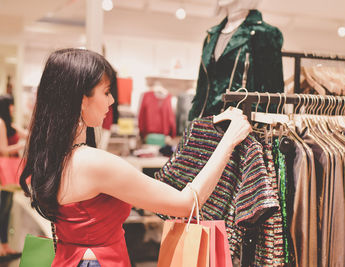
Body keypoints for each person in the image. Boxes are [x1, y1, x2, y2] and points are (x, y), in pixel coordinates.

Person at [19, 48, 252, 267]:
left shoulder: (52, 156)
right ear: (81, 98)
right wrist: (229, 140)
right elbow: (187, 203)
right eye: (106, 92)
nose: (111, 101)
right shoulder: (93, 163)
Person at [188, 0, 284, 121]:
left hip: (240, 126)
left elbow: (273, 95)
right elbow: (201, 89)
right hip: (206, 125)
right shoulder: (211, 36)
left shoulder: (264, 34)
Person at [0, 94, 26, 258]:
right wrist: (20, 145)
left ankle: (5, 245)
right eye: (11, 105)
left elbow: (26, 133)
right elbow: (3, 150)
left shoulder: (10, 125)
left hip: (9, 173)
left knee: (7, 208)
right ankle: (2, 247)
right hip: (3, 172)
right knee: (3, 208)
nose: (13, 108)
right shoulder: (1, 123)